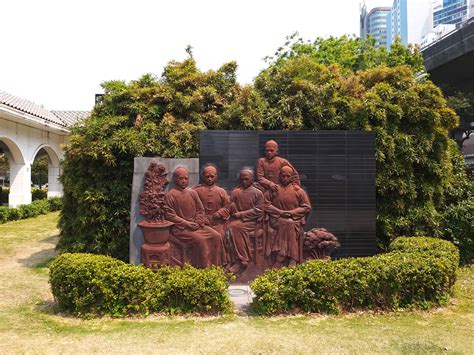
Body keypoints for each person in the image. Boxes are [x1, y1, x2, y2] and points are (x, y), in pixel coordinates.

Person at [164, 167, 226, 268]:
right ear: (175, 179)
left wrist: (198, 221)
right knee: (201, 240)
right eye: (181, 178)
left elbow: (200, 209)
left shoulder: (192, 192)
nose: (184, 181)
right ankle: (204, 268)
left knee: (216, 236)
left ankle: (217, 266)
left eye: (186, 178)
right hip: (181, 229)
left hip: (196, 226)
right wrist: (186, 223)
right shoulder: (170, 195)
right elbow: (170, 216)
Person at [264, 165, 311, 267]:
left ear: (292, 177)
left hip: (294, 221)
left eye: (288, 176)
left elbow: (306, 207)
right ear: (280, 176)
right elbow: (265, 204)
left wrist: (291, 213)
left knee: (288, 222)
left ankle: (281, 257)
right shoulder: (274, 190)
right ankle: (293, 258)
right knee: (287, 222)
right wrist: (279, 212)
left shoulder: (298, 191)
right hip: (276, 220)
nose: (285, 178)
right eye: (283, 176)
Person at [227, 169, 264, 274]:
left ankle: (243, 260)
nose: (244, 181)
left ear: (252, 179)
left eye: (246, 179)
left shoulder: (258, 193)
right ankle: (230, 260)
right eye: (242, 179)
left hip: (252, 222)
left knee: (236, 227)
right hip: (236, 220)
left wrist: (241, 215)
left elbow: (259, 210)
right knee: (227, 228)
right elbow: (229, 206)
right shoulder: (236, 192)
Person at [193, 164, 230, 238]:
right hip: (202, 223)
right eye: (207, 176)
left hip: (217, 223)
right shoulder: (196, 191)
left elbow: (227, 207)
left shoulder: (221, 191)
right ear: (203, 176)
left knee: (221, 236)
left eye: (212, 176)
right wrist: (200, 218)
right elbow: (192, 207)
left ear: (216, 177)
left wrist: (219, 213)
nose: (209, 179)